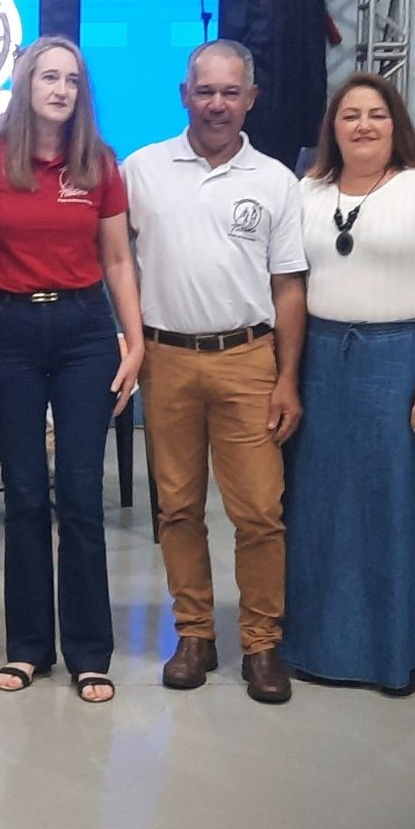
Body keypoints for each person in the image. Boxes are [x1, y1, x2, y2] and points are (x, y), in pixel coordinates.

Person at [280, 73, 415, 696]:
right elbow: (287, 283)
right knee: (315, 508)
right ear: (332, 128)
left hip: (401, 363)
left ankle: (392, 652)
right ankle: (314, 645)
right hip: (320, 359)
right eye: (350, 115)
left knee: (393, 507)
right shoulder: (307, 191)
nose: (363, 125)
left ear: (395, 124)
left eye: (376, 114)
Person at [0, 38, 145, 704]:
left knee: (81, 494)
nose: (60, 88)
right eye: (48, 76)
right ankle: (28, 646)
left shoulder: (101, 165)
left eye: (71, 78)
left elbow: (118, 260)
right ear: (25, 83)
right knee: (28, 493)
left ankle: (90, 651)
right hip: (6, 329)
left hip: (85, 333)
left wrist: (135, 338)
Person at [123, 39, 306, 705]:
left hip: (248, 361)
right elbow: (116, 264)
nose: (218, 104)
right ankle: (194, 634)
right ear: (184, 95)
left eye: (231, 92)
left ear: (250, 99)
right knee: (177, 507)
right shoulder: (141, 170)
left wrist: (286, 379)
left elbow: (289, 287)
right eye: (206, 91)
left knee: (259, 511)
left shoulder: (276, 180)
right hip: (166, 359)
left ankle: (261, 643)